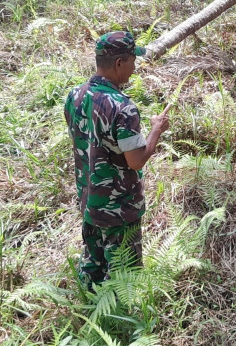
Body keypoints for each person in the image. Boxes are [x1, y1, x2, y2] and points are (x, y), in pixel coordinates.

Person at [64, 31, 169, 290]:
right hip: (119, 207)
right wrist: (156, 129)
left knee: (92, 265)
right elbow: (136, 161)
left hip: (89, 199)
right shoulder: (123, 107)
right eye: (133, 61)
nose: (135, 68)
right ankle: (121, 323)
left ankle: (88, 312)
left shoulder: (75, 95)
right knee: (125, 278)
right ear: (120, 63)